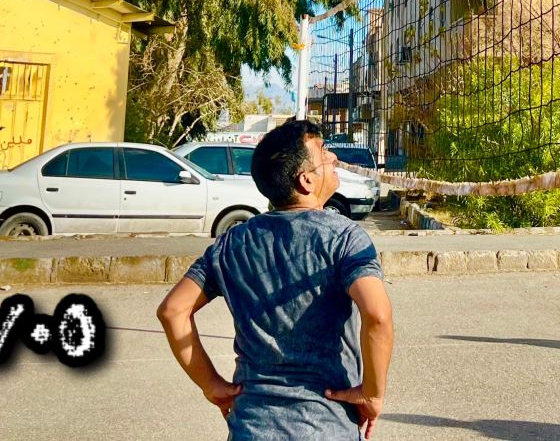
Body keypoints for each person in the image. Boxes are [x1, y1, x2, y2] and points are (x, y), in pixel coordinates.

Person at [157, 119, 394, 439]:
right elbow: (377, 316)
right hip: (327, 427)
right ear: (306, 180)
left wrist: (211, 385)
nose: (333, 157)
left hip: (251, 427)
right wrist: (373, 394)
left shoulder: (231, 243)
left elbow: (173, 311)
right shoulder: (345, 237)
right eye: (323, 151)